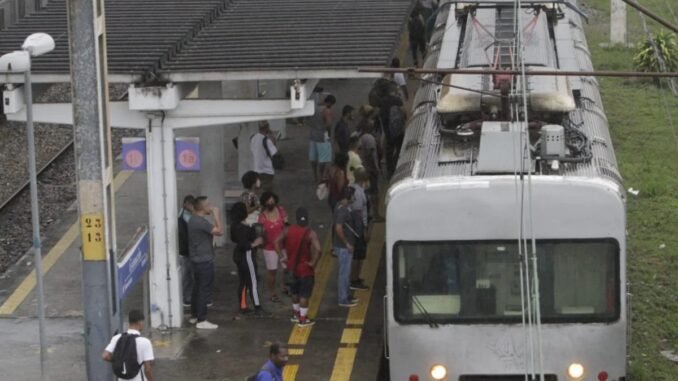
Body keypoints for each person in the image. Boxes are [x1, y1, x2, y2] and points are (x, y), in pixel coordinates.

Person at [274, 207, 321, 327]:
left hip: (291, 268)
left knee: (294, 293)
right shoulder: (310, 233)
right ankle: (303, 319)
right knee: (304, 295)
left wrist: (281, 256)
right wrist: (313, 262)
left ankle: (296, 315)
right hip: (305, 270)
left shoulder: (288, 230)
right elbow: (318, 249)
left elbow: (276, 241)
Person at [187, 196, 223, 329]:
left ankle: (195, 315)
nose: (211, 206)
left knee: (197, 287)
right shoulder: (200, 222)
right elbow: (220, 231)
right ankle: (202, 319)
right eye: (208, 205)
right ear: (202, 207)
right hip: (204, 260)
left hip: (196, 259)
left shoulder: (193, 220)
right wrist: (217, 215)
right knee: (203, 289)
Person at [230, 202, 267, 317]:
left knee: (243, 282)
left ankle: (243, 306)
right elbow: (247, 244)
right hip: (248, 256)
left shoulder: (233, 226)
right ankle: (258, 307)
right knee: (253, 282)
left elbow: (235, 240)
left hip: (238, 257)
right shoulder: (245, 228)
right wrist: (256, 243)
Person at [102, 310, 154, 381]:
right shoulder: (145, 342)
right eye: (143, 322)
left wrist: (118, 361)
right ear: (140, 322)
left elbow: (105, 356)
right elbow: (147, 369)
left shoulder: (117, 338)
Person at [258, 191, 288, 303]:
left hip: (283, 246)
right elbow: (260, 233)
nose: (271, 202)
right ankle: (272, 292)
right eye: (268, 200)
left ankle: (286, 287)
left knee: (287, 268)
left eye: (272, 200)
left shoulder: (281, 210)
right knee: (272, 271)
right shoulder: (262, 217)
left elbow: (286, 225)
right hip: (270, 248)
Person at [334, 186, 359, 307]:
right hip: (344, 247)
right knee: (344, 273)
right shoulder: (342, 211)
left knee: (346, 272)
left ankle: (346, 295)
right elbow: (338, 228)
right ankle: (343, 298)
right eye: (352, 195)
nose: (354, 197)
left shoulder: (341, 206)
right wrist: (347, 243)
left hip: (344, 245)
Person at [357, 110, 383, 221]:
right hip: (371, 169)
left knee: (367, 191)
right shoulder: (370, 139)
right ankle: (376, 214)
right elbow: (373, 155)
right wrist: (377, 168)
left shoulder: (360, 136)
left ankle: (368, 214)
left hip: (364, 167)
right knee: (374, 192)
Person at [349, 169, 370, 291]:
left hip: (356, 226)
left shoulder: (353, 188)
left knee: (358, 255)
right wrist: (364, 229)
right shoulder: (358, 193)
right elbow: (360, 213)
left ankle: (355, 277)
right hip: (358, 227)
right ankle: (354, 279)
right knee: (358, 254)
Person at [378, 86, 406, 178]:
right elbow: (403, 111)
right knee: (399, 148)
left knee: (389, 150)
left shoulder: (382, 101)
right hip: (398, 130)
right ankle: (398, 165)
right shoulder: (397, 100)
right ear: (393, 91)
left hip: (388, 131)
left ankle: (390, 170)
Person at [309, 95, 336, 183]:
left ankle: (314, 175)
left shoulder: (315, 108)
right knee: (323, 157)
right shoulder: (327, 111)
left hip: (313, 134)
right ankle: (321, 176)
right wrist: (329, 134)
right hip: (323, 135)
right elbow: (328, 124)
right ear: (330, 103)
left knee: (313, 157)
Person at [178, 195, 195, 307]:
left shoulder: (183, 214)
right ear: (185, 204)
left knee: (188, 275)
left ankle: (187, 296)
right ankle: (186, 297)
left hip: (185, 250)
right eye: (190, 205)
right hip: (186, 251)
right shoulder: (185, 217)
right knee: (187, 275)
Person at [251, 120, 278, 192]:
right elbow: (274, 153)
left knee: (258, 189)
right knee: (267, 193)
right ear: (267, 128)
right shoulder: (267, 140)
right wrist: (273, 138)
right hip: (267, 171)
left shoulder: (253, 138)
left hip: (256, 170)